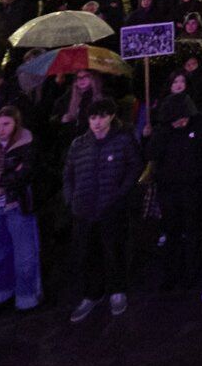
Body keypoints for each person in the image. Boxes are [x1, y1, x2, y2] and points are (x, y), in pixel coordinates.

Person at [61, 99, 142, 321]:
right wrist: (71, 199)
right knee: (87, 253)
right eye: (93, 117)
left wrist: (120, 193)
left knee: (114, 249)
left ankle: (117, 290)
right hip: (84, 209)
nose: (97, 122)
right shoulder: (79, 144)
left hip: (111, 208)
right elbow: (68, 173)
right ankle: (92, 293)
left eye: (102, 116)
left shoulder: (123, 140)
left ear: (112, 116)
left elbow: (134, 166)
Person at [150, 70, 202, 288]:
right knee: (173, 232)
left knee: (193, 230)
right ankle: (172, 272)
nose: (182, 122)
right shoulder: (163, 130)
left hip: (193, 188)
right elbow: (152, 153)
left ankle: (193, 271)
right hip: (169, 189)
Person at [0, 107, 41, 312]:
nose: (1, 129)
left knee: (25, 256)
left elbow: (24, 175)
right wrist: (4, 177)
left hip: (17, 205)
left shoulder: (26, 145)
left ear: (16, 124)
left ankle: (27, 298)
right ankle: (5, 294)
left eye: (6, 124)